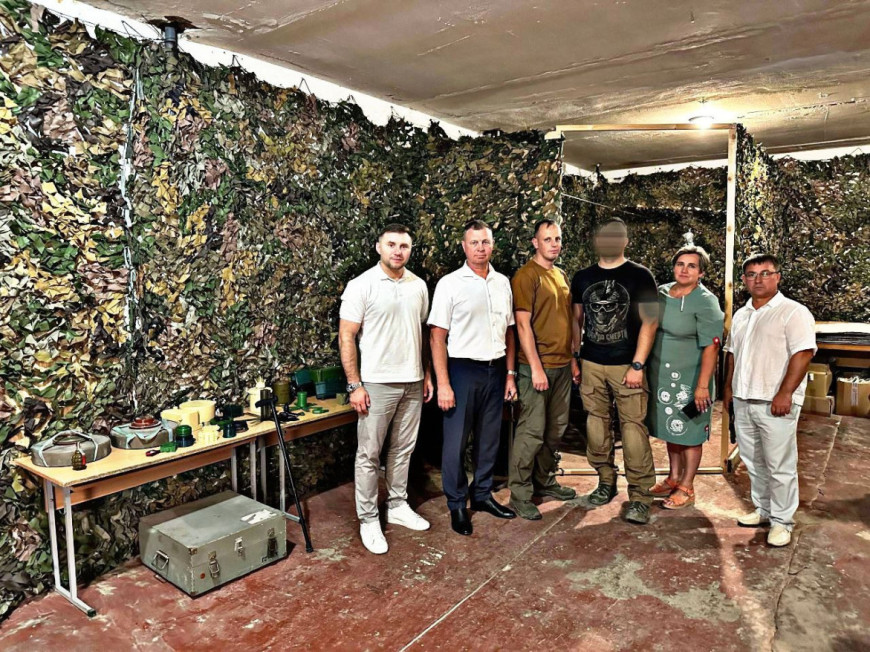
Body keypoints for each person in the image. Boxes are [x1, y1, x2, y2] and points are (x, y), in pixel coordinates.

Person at [338, 223, 435, 555]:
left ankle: (396, 505)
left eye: (404, 246)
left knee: (403, 450)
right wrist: (355, 385)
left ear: (410, 250)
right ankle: (368, 519)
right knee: (369, 454)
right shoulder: (361, 285)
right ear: (379, 247)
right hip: (376, 384)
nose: (398, 251)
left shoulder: (418, 286)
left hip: (412, 381)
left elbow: (422, 333)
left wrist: (426, 375)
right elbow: (346, 336)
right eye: (391, 244)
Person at [429, 220, 518, 536]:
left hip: (496, 370)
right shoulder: (450, 284)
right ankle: (457, 504)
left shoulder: (502, 282)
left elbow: (509, 332)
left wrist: (510, 375)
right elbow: (437, 336)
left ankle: (481, 494)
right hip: (462, 370)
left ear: (492, 245)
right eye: (475, 242)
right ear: (464, 247)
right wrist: (443, 383)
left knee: (489, 438)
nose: (481, 248)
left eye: (486, 242)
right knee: (455, 442)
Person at [571, 217, 659, 524]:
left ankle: (640, 496)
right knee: (596, 426)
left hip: (626, 366)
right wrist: (575, 357)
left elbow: (651, 321)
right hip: (592, 364)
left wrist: (638, 364)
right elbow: (576, 320)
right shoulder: (582, 277)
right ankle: (605, 481)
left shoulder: (641, 275)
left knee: (633, 430)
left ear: (625, 241)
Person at [724, 253, 816, 547]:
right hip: (744, 398)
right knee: (753, 461)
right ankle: (764, 509)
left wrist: (785, 392)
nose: (758, 279)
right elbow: (732, 354)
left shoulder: (793, 312)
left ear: (777, 277)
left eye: (765, 273)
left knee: (780, 464)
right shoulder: (742, 315)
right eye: (752, 274)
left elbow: (803, 353)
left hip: (775, 400)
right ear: (744, 280)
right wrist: (729, 389)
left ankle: (782, 521)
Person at [508, 219, 579, 521]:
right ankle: (520, 494)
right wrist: (536, 368)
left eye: (557, 238)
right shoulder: (526, 276)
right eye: (547, 239)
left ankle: (545, 481)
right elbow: (522, 325)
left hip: (562, 367)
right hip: (535, 369)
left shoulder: (560, 274)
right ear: (535, 243)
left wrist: (573, 359)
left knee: (555, 430)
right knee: (532, 432)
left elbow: (568, 320)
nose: (554, 244)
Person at [647, 244, 724, 509]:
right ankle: (673, 477)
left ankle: (687, 486)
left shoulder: (706, 302)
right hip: (663, 377)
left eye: (692, 266)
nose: (684, 270)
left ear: (701, 272)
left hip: (692, 381)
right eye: (680, 264)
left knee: (690, 433)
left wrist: (702, 386)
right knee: (672, 427)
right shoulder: (662, 294)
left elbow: (712, 346)